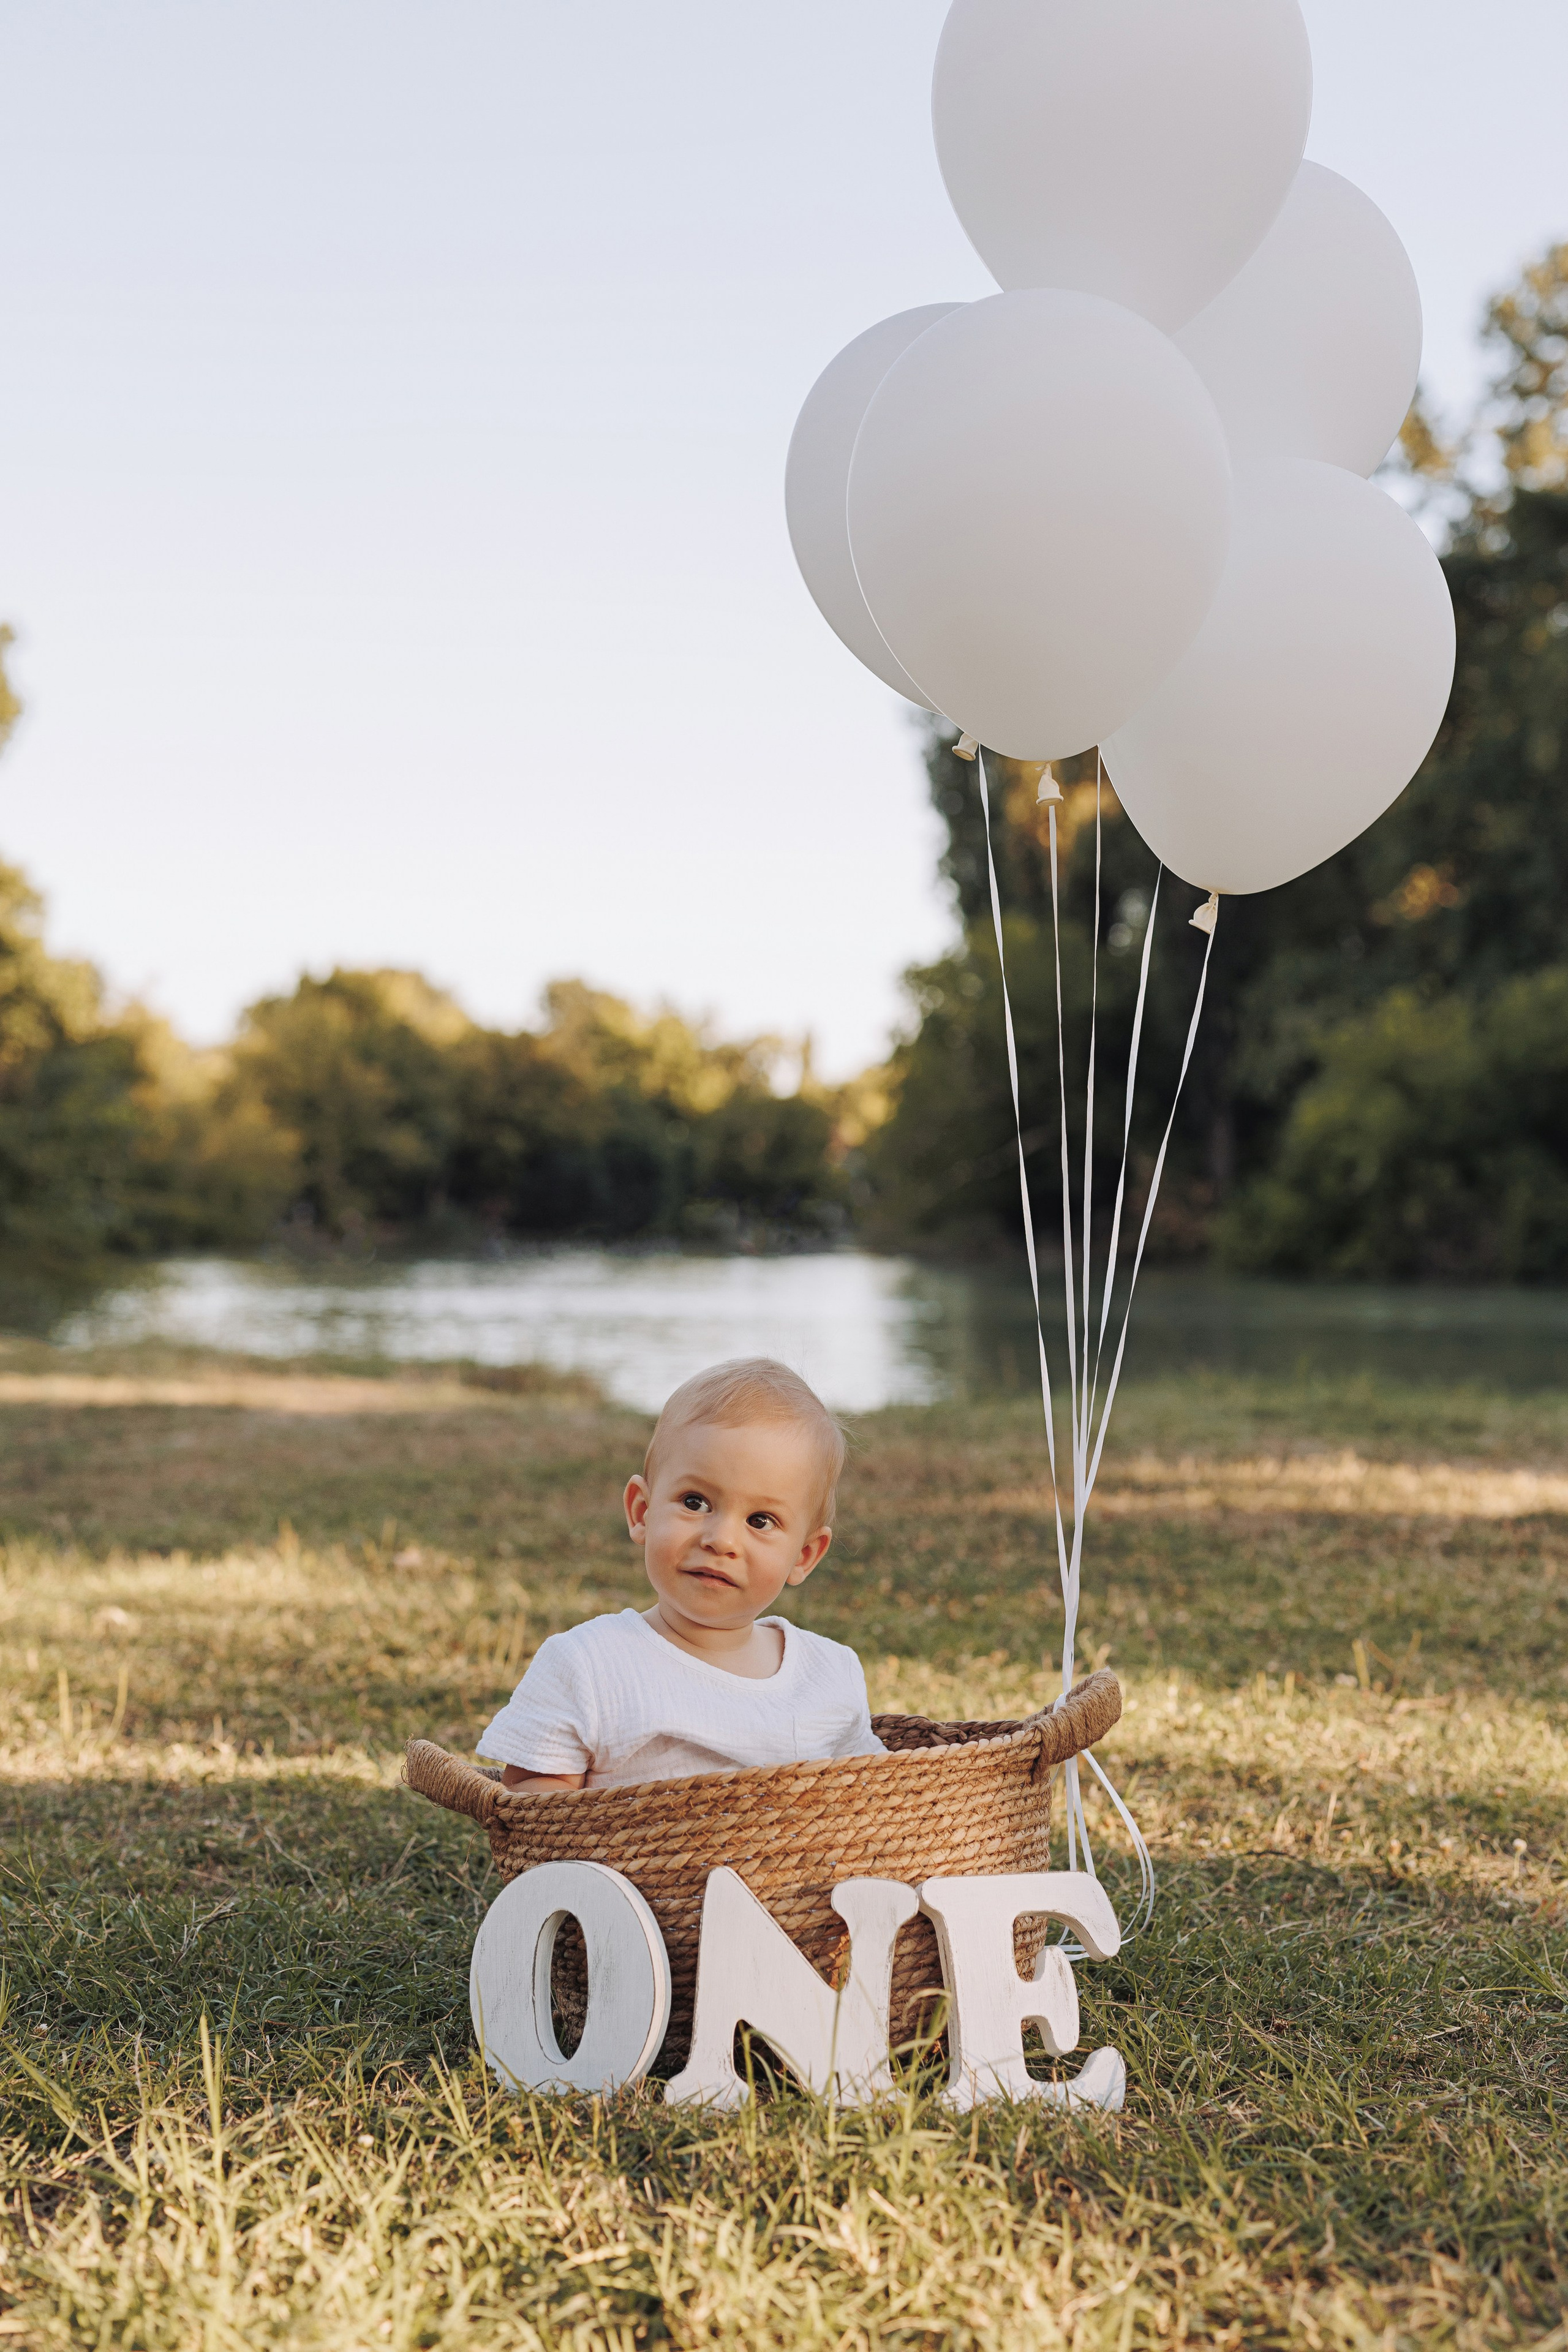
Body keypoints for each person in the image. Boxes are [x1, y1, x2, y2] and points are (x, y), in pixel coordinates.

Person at [475, 1357, 884, 1789]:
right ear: (642, 1512)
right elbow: (531, 1809)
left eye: (760, 1521)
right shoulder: (590, 1664)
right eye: (695, 1503)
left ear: (804, 1555)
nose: (721, 1540)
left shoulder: (829, 1675)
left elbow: (872, 1797)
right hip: (624, 1857)